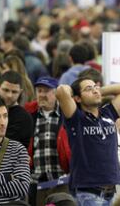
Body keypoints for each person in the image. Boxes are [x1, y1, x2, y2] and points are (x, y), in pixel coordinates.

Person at [56, 78, 120, 205]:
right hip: (88, 193)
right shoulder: (76, 118)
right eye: (88, 89)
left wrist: (98, 90)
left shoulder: (108, 113)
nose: (95, 90)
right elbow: (61, 91)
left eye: (95, 87)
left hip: (111, 192)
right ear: (77, 98)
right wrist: (76, 91)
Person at [25, 76, 71, 206]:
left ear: (56, 93)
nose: (42, 95)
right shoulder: (30, 115)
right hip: (37, 184)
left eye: (46, 91)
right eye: (39, 91)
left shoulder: (66, 114)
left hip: (62, 182)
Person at [0, 71, 34, 148]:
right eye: (6, 90)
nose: (9, 95)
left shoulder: (24, 118)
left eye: (14, 92)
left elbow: (4, 146)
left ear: (20, 92)